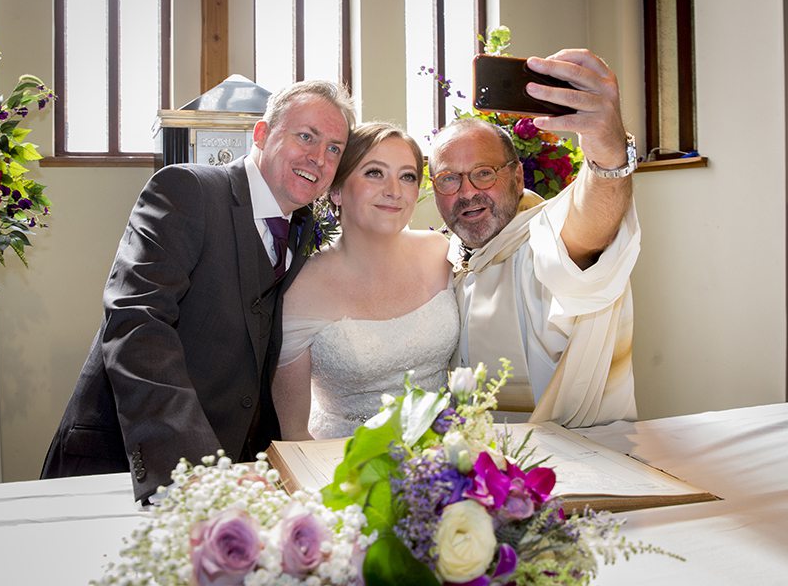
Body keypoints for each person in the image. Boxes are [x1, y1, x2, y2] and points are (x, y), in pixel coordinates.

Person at [40, 80, 355, 501]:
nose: (318, 157)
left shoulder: (298, 232)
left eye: (334, 148)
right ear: (261, 135)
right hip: (125, 465)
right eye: (306, 136)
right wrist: (192, 471)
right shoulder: (187, 190)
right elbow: (137, 323)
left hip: (232, 475)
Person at [429, 49, 641, 428]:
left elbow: (585, 235)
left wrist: (608, 157)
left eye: (483, 173)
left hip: (584, 460)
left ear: (517, 178)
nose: (466, 192)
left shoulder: (540, 238)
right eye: (449, 178)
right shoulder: (444, 258)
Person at [272, 122, 458, 440]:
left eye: (407, 176)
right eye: (374, 173)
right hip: (345, 461)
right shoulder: (301, 289)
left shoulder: (442, 254)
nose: (394, 191)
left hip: (447, 454)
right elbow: (293, 433)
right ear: (336, 189)